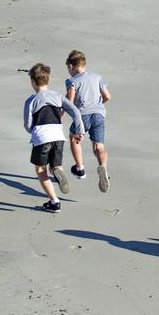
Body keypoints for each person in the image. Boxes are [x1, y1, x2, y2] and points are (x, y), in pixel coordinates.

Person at [23, 62, 84, 213]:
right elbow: (75, 111)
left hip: (42, 136)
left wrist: (33, 132)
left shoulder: (31, 100)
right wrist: (79, 129)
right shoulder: (57, 96)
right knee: (55, 166)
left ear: (32, 82)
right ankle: (58, 171)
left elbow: (28, 124)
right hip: (58, 135)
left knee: (40, 169)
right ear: (48, 80)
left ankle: (54, 201)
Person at [64, 50, 112, 192]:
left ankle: (80, 168)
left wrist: (63, 113)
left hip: (82, 115)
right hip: (98, 114)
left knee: (74, 138)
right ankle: (102, 167)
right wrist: (98, 105)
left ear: (72, 67)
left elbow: (70, 102)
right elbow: (107, 96)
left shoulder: (72, 81)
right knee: (99, 147)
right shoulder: (97, 77)